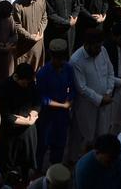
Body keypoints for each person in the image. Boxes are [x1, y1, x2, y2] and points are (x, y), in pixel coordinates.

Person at [68, 28, 119, 162]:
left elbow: (110, 72)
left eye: (100, 46)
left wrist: (108, 92)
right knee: (83, 135)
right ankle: (76, 162)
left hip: (104, 103)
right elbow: (82, 87)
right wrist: (100, 99)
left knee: (101, 133)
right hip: (86, 106)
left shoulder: (103, 51)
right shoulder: (76, 60)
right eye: (96, 47)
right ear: (87, 44)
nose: (98, 50)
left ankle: (97, 160)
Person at [34, 39, 74, 168]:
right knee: (43, 144)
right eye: (58, 59)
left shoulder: (68, 68)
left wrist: (69, 99)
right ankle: (38, 169)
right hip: (47, 117)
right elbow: (42, 98)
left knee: (60, 144)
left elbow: (73, 87)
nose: (60, 62)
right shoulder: (43, 73)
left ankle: (56, 168)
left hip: (62, 116)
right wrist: (62, 105)